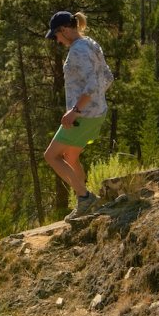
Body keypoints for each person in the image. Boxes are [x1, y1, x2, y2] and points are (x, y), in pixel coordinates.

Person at [43, 11, 113, 218]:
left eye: (55, 36)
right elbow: (107, 77)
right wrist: (95, 101)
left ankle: (85, 199)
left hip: (82, 116)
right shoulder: (91, 43)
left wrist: (76, 111)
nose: (56, 41)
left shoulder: (78, 50)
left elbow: (92, 83)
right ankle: (85, 201)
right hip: (97, 112)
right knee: (71, 156)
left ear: (64, 30)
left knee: (51, 156)